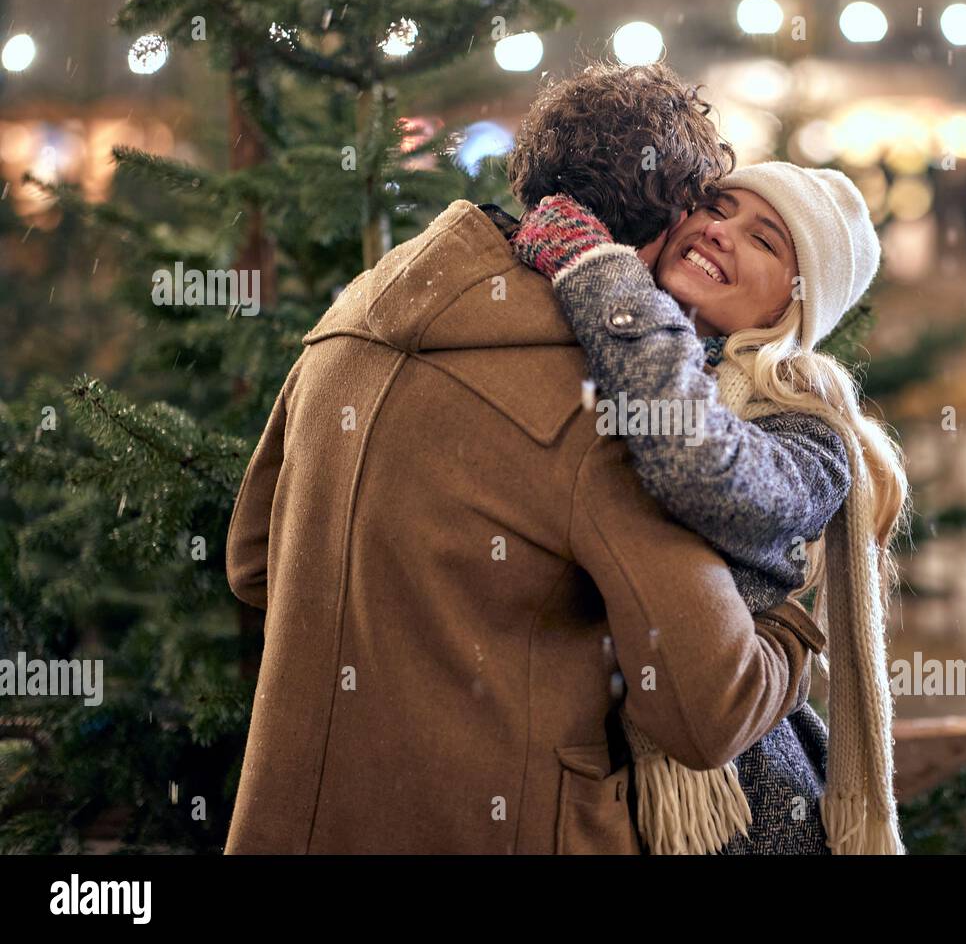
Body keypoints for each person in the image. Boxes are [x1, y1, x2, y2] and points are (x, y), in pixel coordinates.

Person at [222, 62, 827, 854]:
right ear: (673, 219)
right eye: (708, 212)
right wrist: (789, 630)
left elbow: (254, 563)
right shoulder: (603, 409)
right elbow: (705, 709)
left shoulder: (353, 314)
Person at [510, 161, 912, 854]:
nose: (720, 232)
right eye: (716, 207)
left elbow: (694, 467)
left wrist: (604, 277)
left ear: (793, 307)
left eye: (764, 240)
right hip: (567, 784)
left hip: (741, 817)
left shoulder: (811, 441)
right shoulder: (592, 348)